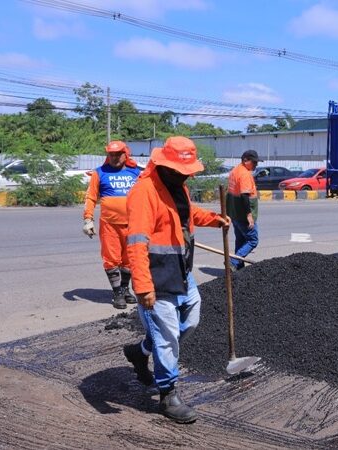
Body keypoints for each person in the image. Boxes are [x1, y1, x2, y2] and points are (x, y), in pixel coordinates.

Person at [123, 136, 230, 424]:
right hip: (156, 277)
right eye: (182, 170)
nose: (187, 174)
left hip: (180, 271)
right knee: (168, 336)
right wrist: (143, 286)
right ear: (164, 165)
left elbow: (186, 213)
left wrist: (213, 218)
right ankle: (168, 394)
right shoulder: (145, 192)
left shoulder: (176, 185)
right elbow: (135, 243)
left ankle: (140, 351)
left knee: (190, 321)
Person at [82, 140, 141, 309]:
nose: (114, 157)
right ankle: (117, 293)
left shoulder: (136, 173)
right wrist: (88, 219)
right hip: (110, 225)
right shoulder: (99, 173)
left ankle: (124, 289)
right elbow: (91, 197)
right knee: (111, 259)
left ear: (126, 154)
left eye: (118, 154)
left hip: (133, 224)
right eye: (111, 154)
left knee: (129, 260)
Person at [226, 150, 260, 270]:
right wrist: (249, 215)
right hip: (243, 215)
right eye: (254, 162)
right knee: (252, 240)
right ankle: (234, 262)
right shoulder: (244, 174)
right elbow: (245, 196)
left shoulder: (235, 171)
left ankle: (239, 269)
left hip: (235, 213)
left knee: (240, 241)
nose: (256, 165)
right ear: (245, 160)